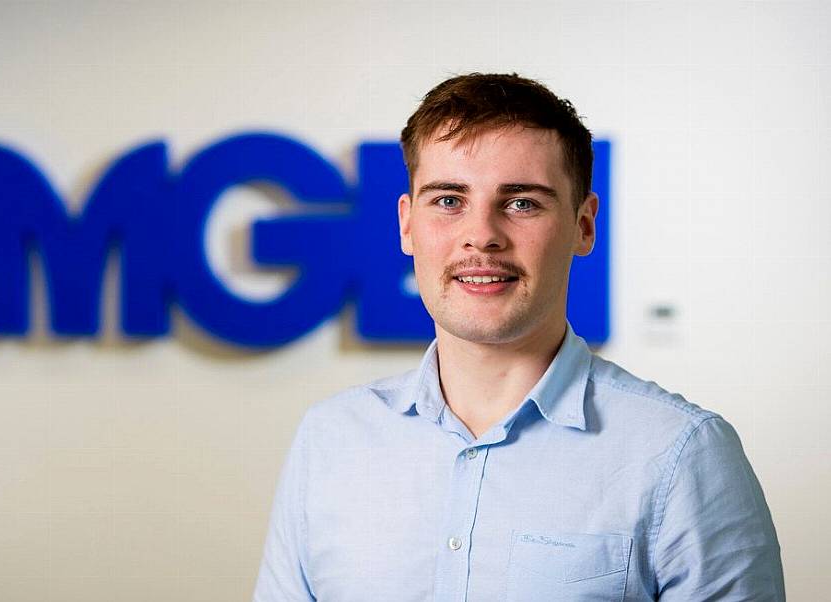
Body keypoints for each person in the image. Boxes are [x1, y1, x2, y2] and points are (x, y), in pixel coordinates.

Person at [252, 73, 784, 601]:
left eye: (522, 202)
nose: (482, 234)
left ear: (584, 225)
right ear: (407, 224)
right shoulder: (331, 440)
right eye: (448, 200)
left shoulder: (680, 454)